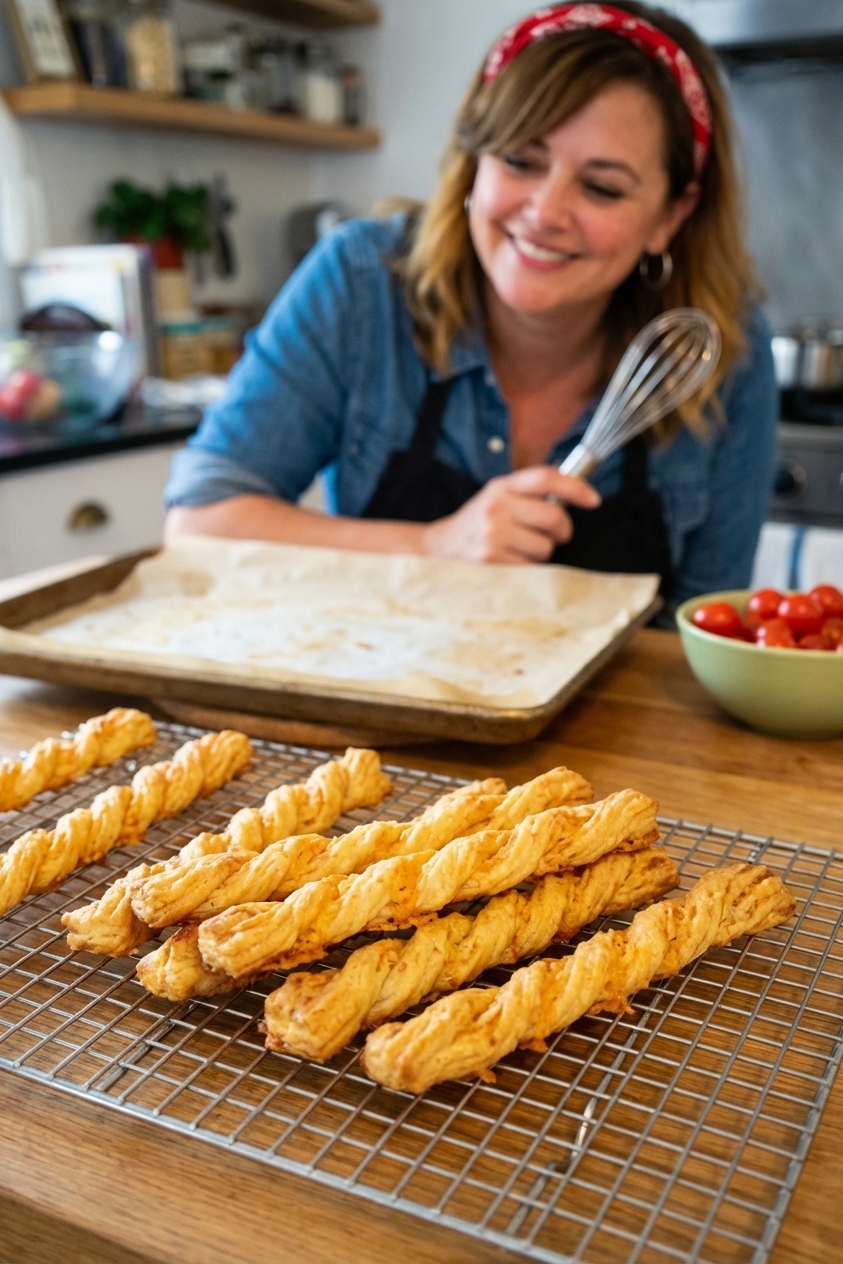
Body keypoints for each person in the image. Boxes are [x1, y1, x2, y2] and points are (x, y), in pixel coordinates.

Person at [164, 1, 776, 611]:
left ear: (671, 215)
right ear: (474, 164)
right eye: (520, 161)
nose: (544, 213)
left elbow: (709, 628)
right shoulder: (362, 282)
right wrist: (432, 545)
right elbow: (198, 526)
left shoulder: (726, 351)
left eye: (601, 187)